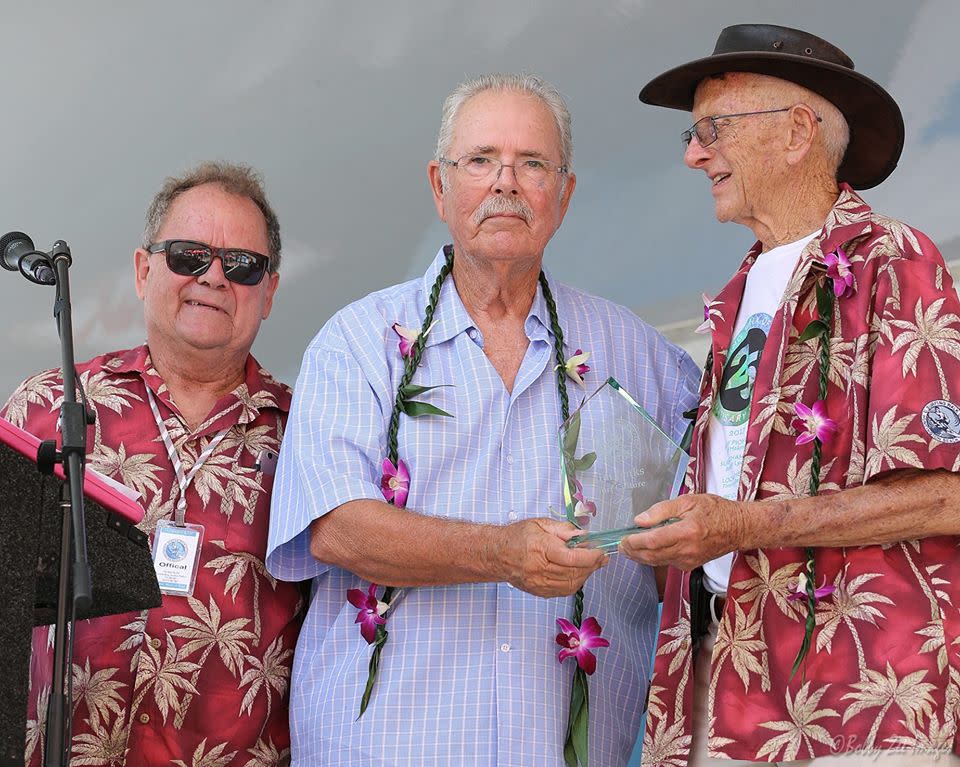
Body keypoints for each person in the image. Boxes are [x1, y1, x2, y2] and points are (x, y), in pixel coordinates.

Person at [266, 73, 700, 766]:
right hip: (386, 749)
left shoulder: (639, 354)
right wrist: (501, 553)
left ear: (564, 194)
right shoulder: (358, 341)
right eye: (480, 160)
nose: (506, 182)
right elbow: (335, 525)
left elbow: (690, 549)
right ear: (439, 187)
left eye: (533, 163)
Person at [623, 23, 960, 767]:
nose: (692, 153)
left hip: (859, 704)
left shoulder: (893, 261)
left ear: (797, 132)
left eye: (713, 128)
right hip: (726, 693)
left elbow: (947, 494)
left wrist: (740, 524)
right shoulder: (740, 292)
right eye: (693, 132)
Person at [2, 162, 305, 766]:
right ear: (145, 271)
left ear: (269, 292)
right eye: (188, 255)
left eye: (241, 264)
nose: (213, 277)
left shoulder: (306, 438)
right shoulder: (45, 408)